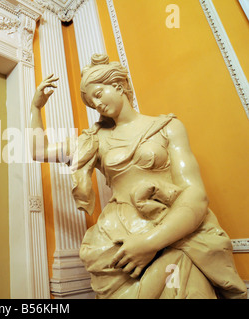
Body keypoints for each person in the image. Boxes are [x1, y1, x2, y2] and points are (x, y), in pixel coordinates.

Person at [30, 54, 247, 299]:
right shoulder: (95, 140)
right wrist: (36, 107)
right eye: (91, 103)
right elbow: (38, 151)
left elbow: (195, 194)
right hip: (118, 236)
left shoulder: (167, 127)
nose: (97, 105)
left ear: (118, 85)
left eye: (99, 94)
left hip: (177, 231)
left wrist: (150, 243)